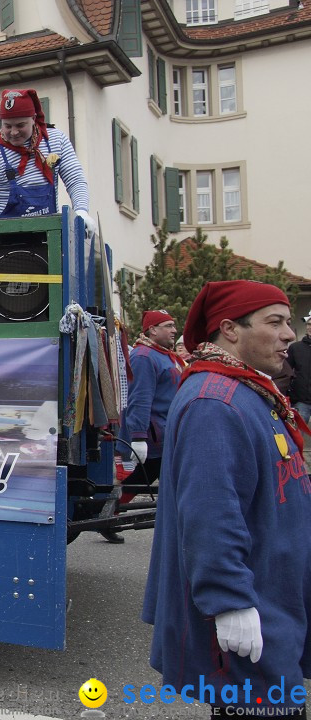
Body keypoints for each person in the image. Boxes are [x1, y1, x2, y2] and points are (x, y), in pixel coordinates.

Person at [143, 280, 311, 718]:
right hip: (254, 608)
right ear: (230, 330)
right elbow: (211, 515)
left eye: (288, 322)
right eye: (274, 322)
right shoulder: (214, 402)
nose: (289, 334)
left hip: (275, 597)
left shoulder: (249, 390)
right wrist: (229, 600)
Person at [0, 89, 94, 237]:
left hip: (48, 239)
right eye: (8, 126)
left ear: (33, 118)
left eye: (20, 125)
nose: (14, 132)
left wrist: (81, 211)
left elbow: (75, 180)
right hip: (4, 245)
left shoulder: (56, 141)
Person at [105, 310, 182, 544]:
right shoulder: (144, 356)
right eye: (168, 326)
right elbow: (139, 398)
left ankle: (109, 515)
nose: (174, 330)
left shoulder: (164, 355)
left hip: (167, 431)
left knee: (146, 478)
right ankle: (109, 515)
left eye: (173, 325)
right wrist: (138, 437)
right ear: (152, 330)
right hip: (153, 435)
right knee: (147, 478)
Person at [287, 311, 311, 423]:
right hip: (301, 401)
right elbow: (285, 372)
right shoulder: (295, 348)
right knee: (297, 437)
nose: (310, 327)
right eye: (309, 324)